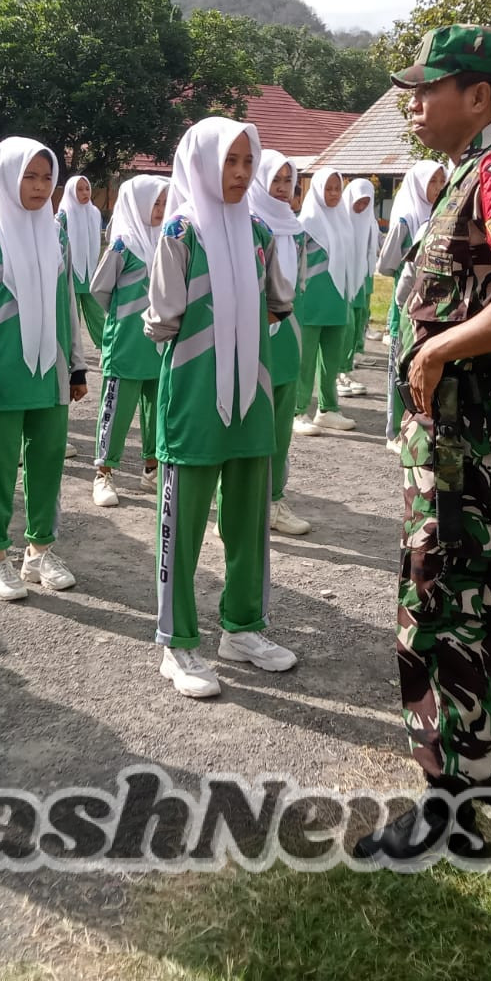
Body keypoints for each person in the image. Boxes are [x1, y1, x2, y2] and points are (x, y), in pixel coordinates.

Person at [352, 25, 491, 863]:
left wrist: (441, 348)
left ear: (478, 95)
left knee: (440, 608)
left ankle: (450, 811)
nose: (413, 102)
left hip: (465, 432)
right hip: (466, 432)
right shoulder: (465, 177)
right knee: (486, 598)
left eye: (427, 87)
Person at [145, 117, 298, 699]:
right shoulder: (181, 232)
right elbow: (162, 320)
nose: (239, 173)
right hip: (193, 395)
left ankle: (242, 627)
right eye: (229, 162)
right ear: (204, 163)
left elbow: (279, 299)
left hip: (252, 399)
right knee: (181, 528)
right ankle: (177, 642)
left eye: (246, 162)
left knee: (249, 521)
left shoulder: (258, 231)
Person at [0, 138, 86, 600]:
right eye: (29, 177)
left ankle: (39, 549)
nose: (39, 187)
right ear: (6, 177)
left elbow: (66, 302)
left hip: (49, 371)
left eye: (46, 177)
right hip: (0, 373)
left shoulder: (55, 232)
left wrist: (76, 365)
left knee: (48, 460)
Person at [88, 175, 168, 508]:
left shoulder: (166, 239)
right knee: (118, 408)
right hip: (126, 341)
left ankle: (152, 468)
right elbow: (99, 288)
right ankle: (103, 472)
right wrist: (121, 316)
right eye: (155, 203)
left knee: (157, 406)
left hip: (157, 342)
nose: (161, 210)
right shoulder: (123, 244)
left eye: (164, 203)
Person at [249, 150, 313, 535]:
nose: (283, 189)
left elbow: (297, 286)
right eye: (276, 180)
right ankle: (240, 502)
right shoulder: (248, 225)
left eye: (289, 181)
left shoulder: (295, 228)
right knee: (247, 420)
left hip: (287, 336)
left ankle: (273, 500)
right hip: (254, 335)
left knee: (280, 427)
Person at [378, 161, 447, 447]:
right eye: (433, 181)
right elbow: (386, 263)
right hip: (404, 302)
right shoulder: (407, 218)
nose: (439, 187)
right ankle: (393, 431)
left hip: (430, 306)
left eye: (443, 181)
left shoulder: (439, 215)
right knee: (399, 365)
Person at [294, 167, 357, 434]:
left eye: (337, 188)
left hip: (337, 300)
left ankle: (328, 409)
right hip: (311, 302)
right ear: (317, 190)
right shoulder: (305, 222)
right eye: (328, 188)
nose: (333, 194)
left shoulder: (343, 220)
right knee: (305, 360)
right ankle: (297, 412)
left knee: (332, 358)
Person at [336, 177, 379, 397]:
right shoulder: (339, 219)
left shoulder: (368, 220)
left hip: (359, 278)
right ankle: (338, 371)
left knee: (355, 324)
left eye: (366, 202)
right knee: (346, 327)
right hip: (340, 280)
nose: (361, 207)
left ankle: (345, 368)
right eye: (358, 201)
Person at [58, 174, 105, 351]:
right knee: (72, 315)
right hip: (71, 271)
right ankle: (72, 352)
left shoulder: (94, 213)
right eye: (79, 189)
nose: (85, 193)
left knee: (97, 313)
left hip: (91, 270)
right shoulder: (64, 214)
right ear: (71, 191)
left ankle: (105, 346)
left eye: (87, 188)